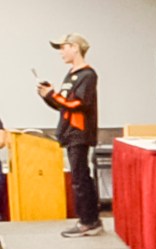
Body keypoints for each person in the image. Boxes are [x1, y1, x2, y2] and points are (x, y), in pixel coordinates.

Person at [37, 33, 102, 238]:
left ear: (75, 47)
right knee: (80, 176)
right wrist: (48, 96)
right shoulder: (71, 74)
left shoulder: (88, 75)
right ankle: (91, 220)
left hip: (79, 132)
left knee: (80, 178)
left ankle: (88, 222)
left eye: (63, 47)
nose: (61, 52)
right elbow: (64, 105)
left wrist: (53, 95)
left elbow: (79, 104)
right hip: (69, 131)